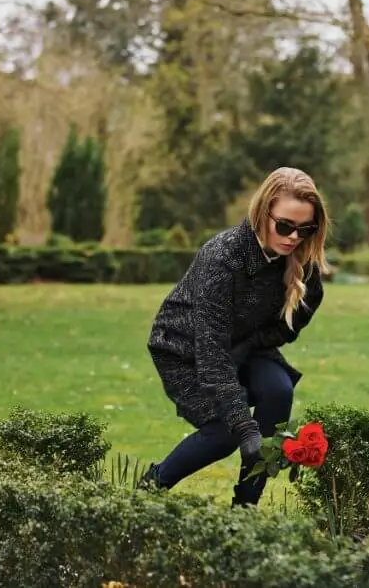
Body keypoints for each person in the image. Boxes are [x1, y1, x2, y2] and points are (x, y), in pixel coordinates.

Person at [140, 167, 329, 507]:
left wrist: (247, 347)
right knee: (226, 432)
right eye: (284, 226)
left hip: (245, 344)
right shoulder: (223, 257)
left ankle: (245, 508)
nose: (293, 237)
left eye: (306, 229)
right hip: (185, 349)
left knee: (277, 391)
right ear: (263, 212)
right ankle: (148, 490)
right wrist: (245, 427)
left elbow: (286, 328)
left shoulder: (304, 264)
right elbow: (211, 354)